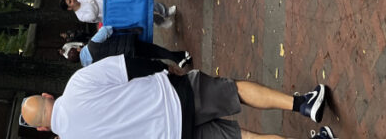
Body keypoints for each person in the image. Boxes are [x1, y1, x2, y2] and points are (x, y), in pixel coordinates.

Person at [20, 54, 338, 139]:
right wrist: (166, 67)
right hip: (174, 97)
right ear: (48, 95)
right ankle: (303, 104)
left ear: (43, 130)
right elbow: (128, 64)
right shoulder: (77, 84)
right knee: (236, 91)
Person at [61, 25, 191, 69]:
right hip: (128, 44)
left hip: (127, 59)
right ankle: (178, 59)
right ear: (78, 49)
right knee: (155, 51)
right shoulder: (92, 44)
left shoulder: (91, 67)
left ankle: (181, 55)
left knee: (153, 56)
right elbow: (107, 30)